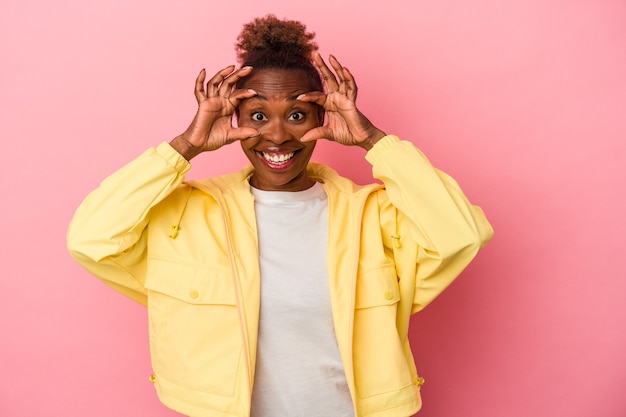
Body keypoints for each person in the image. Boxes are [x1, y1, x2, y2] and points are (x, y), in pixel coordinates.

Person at [67, 14, 493, 417]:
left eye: (295, 114)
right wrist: (185, 146)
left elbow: (462, 235)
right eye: (257, 115)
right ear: (232, 119)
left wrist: (373, 140)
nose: (276, 135)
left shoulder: (373, 216)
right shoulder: (187, 216)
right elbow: (91, 239)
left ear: (322, 119)